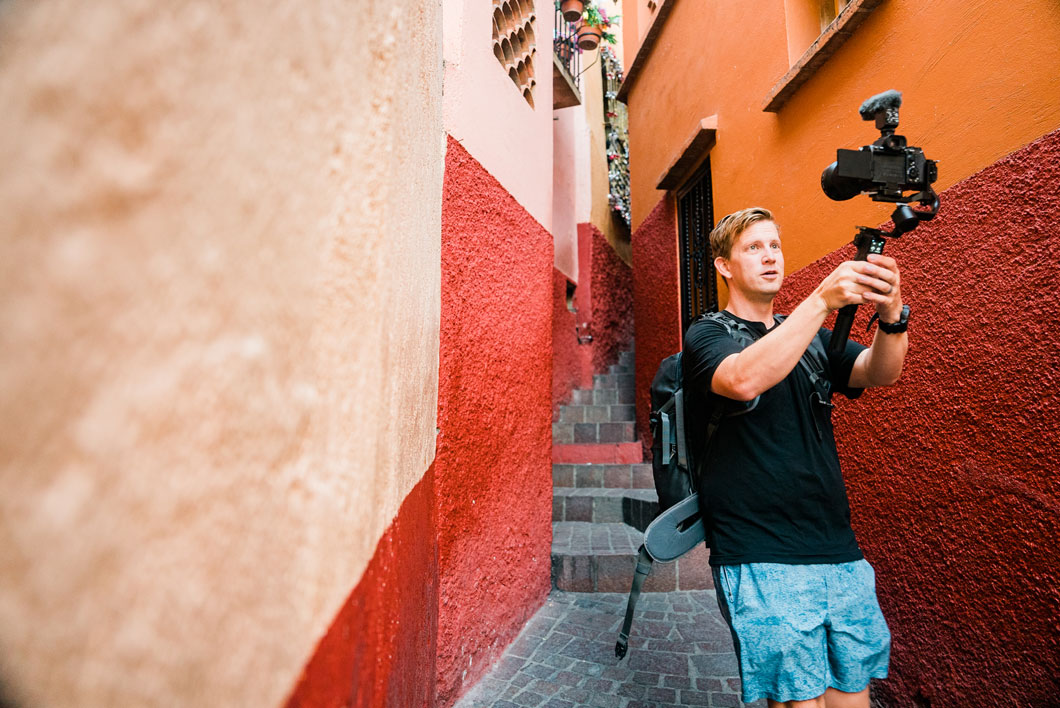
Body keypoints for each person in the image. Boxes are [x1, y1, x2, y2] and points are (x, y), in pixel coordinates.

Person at [683, 207, 909, 708]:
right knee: (798, 702)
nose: (770, 256)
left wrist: (893, 314)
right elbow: (743, 378)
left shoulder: (809, 337)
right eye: (753, 248)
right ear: (724, 266)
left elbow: (879, 372)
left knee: (852, 697)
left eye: (775, 246)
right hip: (761, 550)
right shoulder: (707, 334)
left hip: (837, 547)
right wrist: (822, 299)